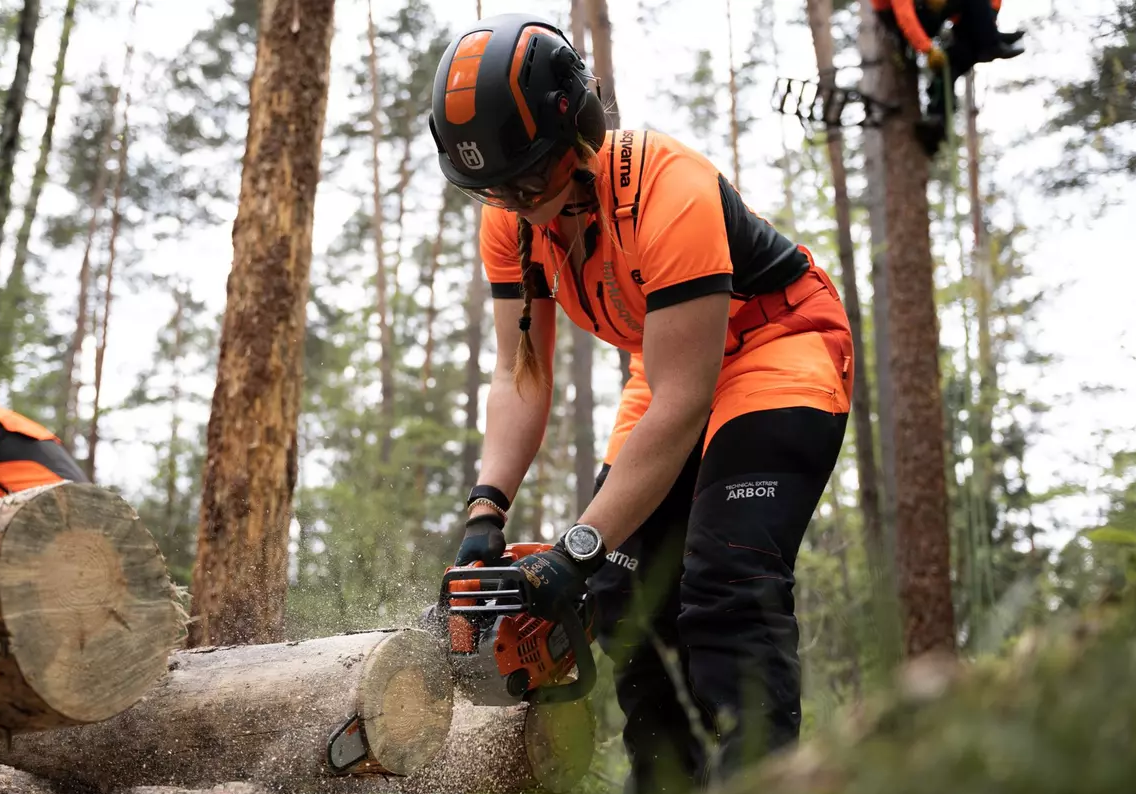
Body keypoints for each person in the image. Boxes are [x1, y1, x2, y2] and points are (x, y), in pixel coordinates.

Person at [430, 13, 853, 793]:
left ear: (577, 137)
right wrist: (485, 512)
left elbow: (687, 401)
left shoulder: (670, 190)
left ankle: (760, 779)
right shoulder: (510, 221)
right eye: (494, 189)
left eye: (528, 181)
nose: (516, 205)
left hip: (776, 344)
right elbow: (522, 373)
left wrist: (575, 546)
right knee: (624, 593)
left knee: (727, 576)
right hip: (665, 374)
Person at [872, 0, 1025, 154]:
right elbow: (905, 16)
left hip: (925, 12)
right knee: (965, 48)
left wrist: (987, 25)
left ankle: (938, 119)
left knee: (960, 52)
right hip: (898, 19)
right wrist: (927, 48)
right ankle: (988, 43)